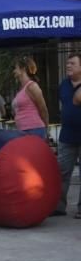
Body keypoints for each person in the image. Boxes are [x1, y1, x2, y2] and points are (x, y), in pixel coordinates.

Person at [55, 53, 81, 217]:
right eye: (67, 63)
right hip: (67, 135)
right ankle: (58, 207)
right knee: (62, 171)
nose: (68, 66)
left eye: (72, 63)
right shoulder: (63, 85)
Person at [12, 57, 49, 139]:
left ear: (23, 69)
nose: (14, 71)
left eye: (16, 68)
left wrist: (46, 129)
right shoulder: (21, 88)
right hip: (22, 130)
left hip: (34, 129)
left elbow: (43, 109)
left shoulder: (32, 86)